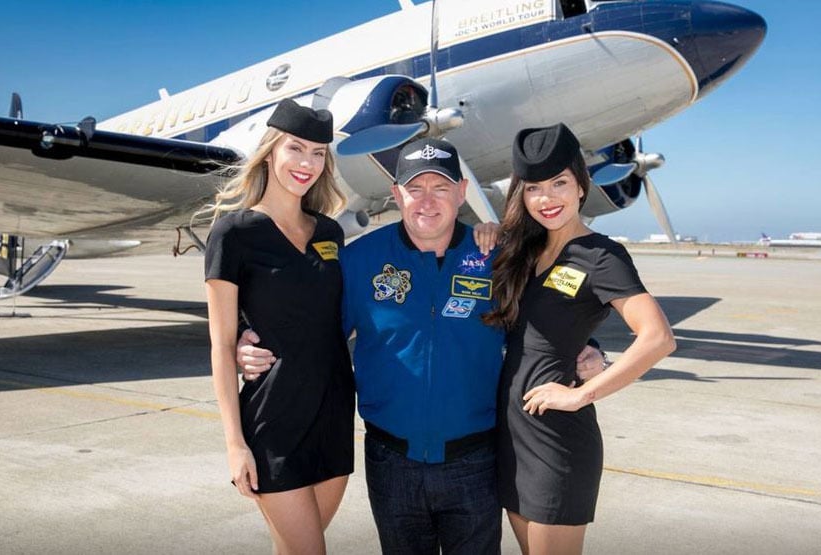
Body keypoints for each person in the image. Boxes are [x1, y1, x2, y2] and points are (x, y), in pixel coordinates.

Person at [237, 136, 607, 554]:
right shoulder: (358, 261)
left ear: (462, 192)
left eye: (442, 188)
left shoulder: (499, 258)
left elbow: (547, 321)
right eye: (415, 188)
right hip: (390, 462)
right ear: (397, 194)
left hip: (476, 462)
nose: (427, 201)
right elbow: (309, 327)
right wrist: (242, 337)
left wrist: (589, 347)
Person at [483, 122, 676, 555]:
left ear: (581, 186)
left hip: (557, 442)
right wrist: (486, 230)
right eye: (533, 188)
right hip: (510, 439)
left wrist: (582, 394)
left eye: (559, 183)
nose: (547, 198)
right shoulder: (522, 250)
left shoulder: (601, 256)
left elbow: (658, 338)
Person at [202, 98, 355, 554]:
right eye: (296, 148)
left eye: (318, 153)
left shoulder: (331, 233)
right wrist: (234, 444)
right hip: (274, 422)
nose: (306, 163)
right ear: (270, 151)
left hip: (333, 415)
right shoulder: (234, 233)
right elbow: (219, 344)